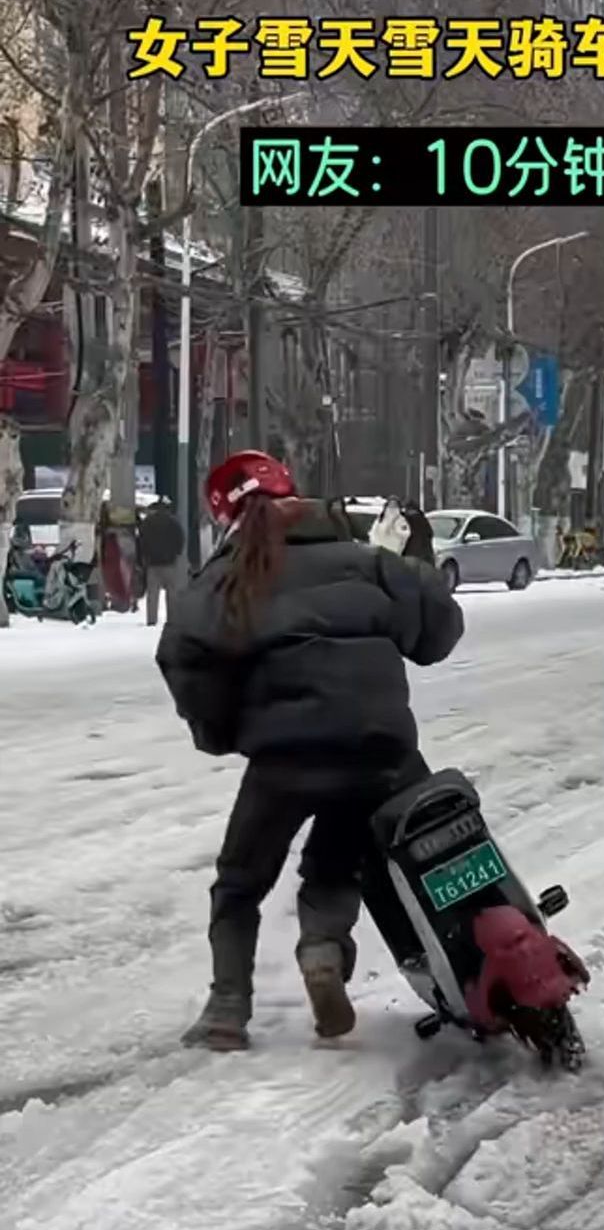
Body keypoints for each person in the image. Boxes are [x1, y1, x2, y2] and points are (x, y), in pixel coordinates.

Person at [155, 450, 464, 1052]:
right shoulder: (368, 560)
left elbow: (183, 654)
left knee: (240, 883)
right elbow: (437, 631)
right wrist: (416, 564)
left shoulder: (222, 580)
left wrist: (219, 730)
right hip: (379, 750)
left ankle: (226, 1010)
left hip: (285, 759)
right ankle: (322, 952)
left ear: (224, 514)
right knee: (337, 860)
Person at [139, 497, 188, 625]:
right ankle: (172, 620)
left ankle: (151, 619)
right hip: (170, 563)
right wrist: (176, 553)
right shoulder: (173, 522)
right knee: (172, 594)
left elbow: (141, 541)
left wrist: (145, 556)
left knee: (152, 594)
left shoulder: (148, 522)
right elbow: (180, 539)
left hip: (153, 564)